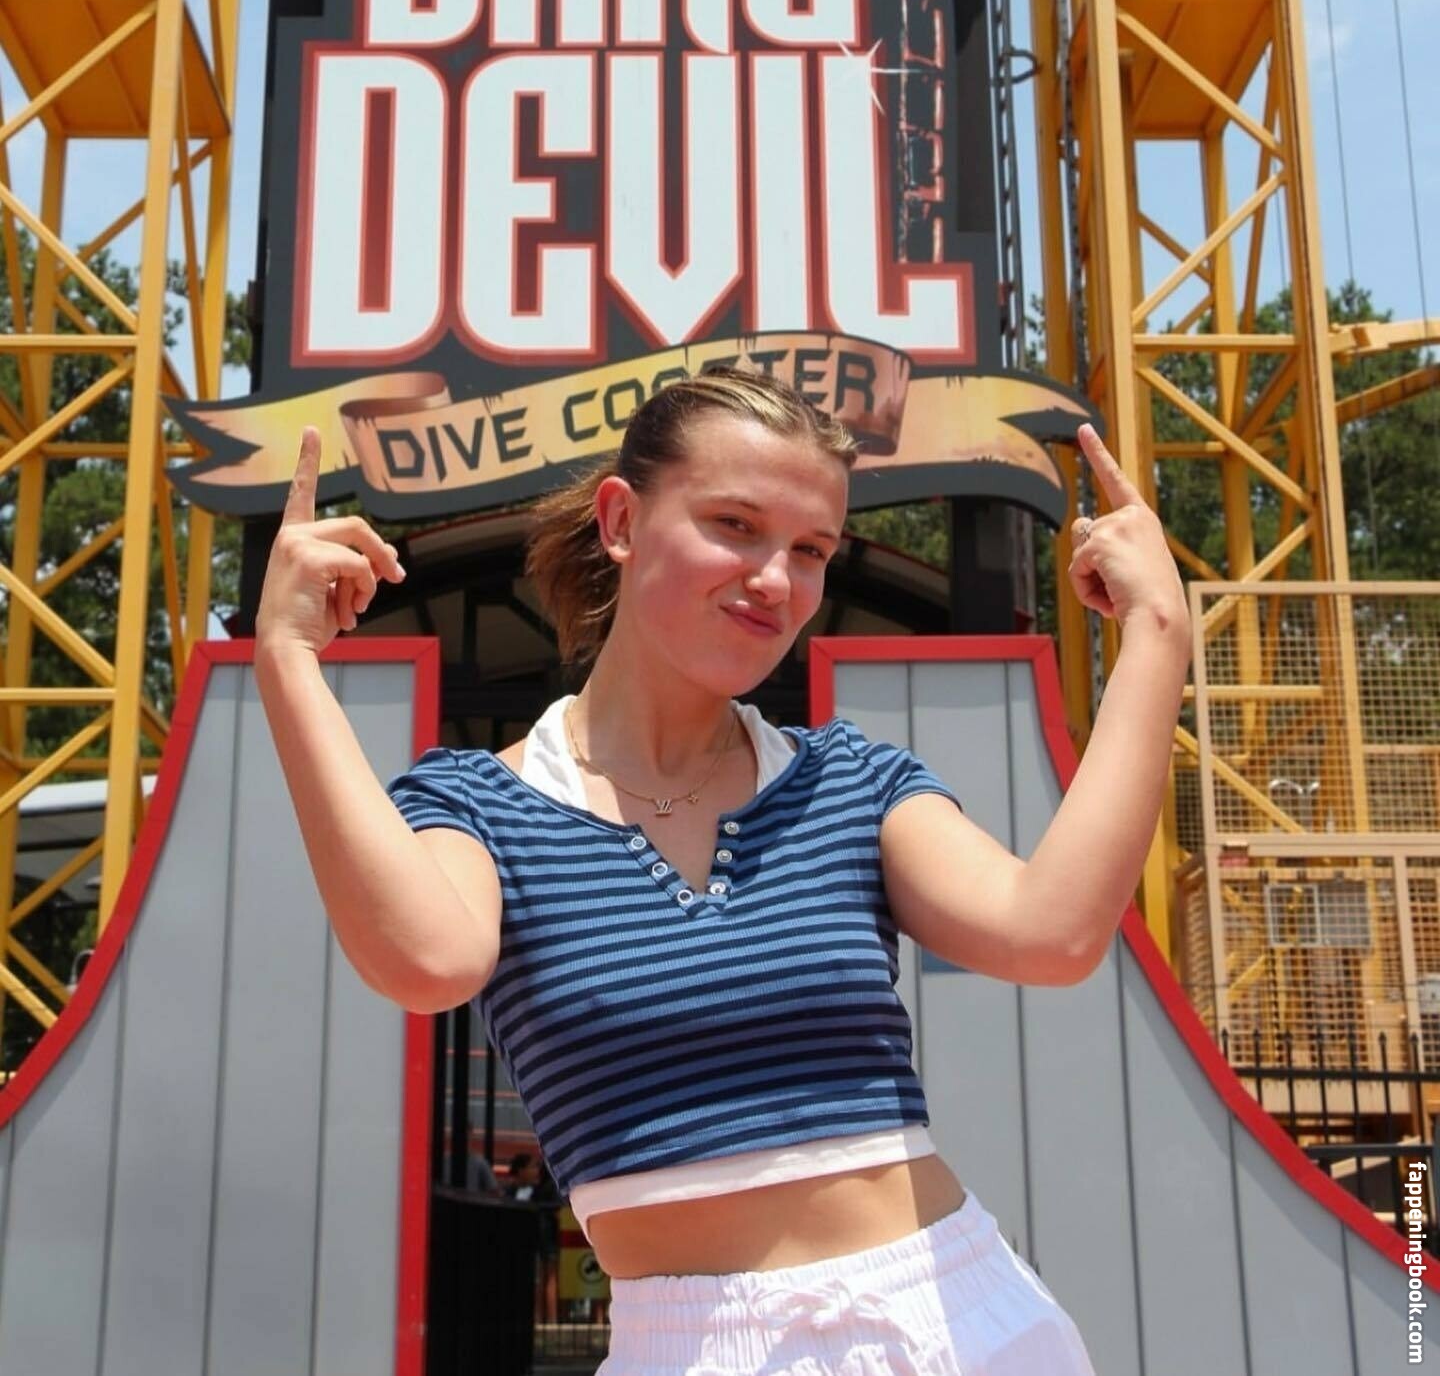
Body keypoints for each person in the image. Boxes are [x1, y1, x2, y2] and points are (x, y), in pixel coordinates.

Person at [254, 370, 1190, 1374]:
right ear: (621, 518)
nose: (776, 579)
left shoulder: (851, 782)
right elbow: (424, 961)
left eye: (811, 549)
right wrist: (287, 657)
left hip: (958, 1319)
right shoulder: (482, 806)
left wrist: (1157, 632)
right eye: (735, 525)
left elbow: (1051, 934)